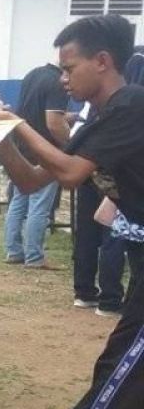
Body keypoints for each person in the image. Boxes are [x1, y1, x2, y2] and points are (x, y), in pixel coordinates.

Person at [0, 15, 144, 409]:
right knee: (133, 363)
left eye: (69, 67)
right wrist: (5, 141)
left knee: (122, 361)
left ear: (103, 61)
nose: (63, 78)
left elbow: (71, 173)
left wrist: (17, 123)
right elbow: (35, 179)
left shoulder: (132, 105)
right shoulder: (102, 117)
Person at [71, 102, 139, 316]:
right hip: (114, 174)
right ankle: (109, 299)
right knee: (114, 234)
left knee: (88, 232)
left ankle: (84, 292)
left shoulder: (93, 107)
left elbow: (72, 136)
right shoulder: (126, 107)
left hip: (88, 171)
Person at [2, 63, 69, 269]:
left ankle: (13, 251)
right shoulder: (59, 82)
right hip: (45, 151)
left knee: (19, 201)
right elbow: (53, 123)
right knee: (39, 206)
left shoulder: (33, 74)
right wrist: (71, 145)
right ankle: (34, 257)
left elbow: (34, 111)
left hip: (23, 146)